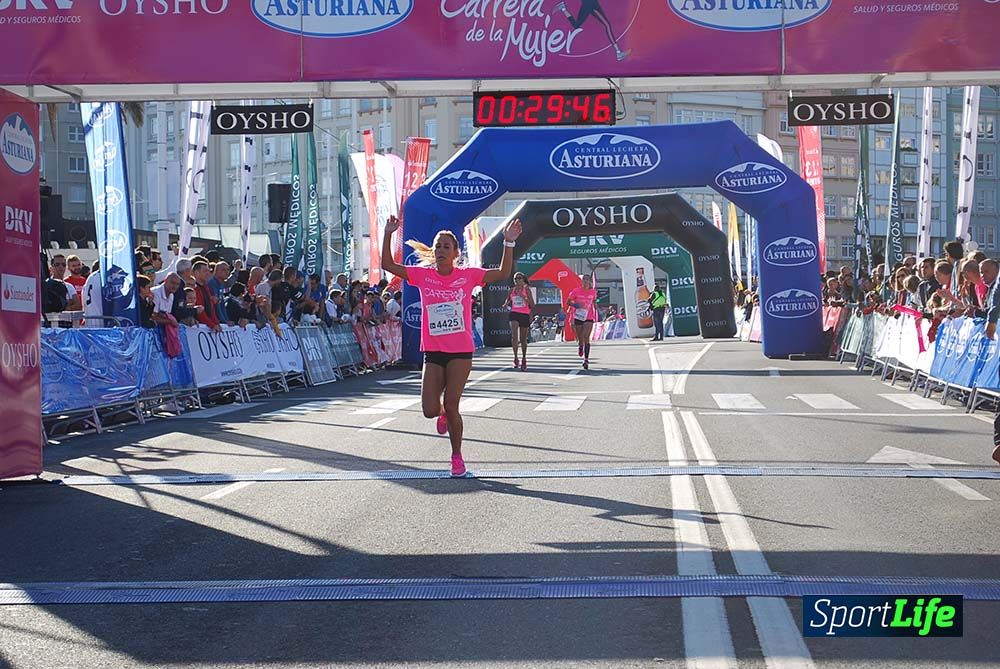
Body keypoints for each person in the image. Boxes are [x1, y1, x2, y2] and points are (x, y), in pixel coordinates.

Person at [380, 214, 521, 477]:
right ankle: (441, 412)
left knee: (454, 405)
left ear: (456, 252)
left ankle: (457, 457)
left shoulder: (468, 276)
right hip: (433, 352)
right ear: (433, 252)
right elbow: (388, 264)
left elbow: (502, 273)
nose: (441, 250)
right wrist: (389, 233)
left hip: (460, 351)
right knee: (429, 410)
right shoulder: (422, 275)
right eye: (438, 246)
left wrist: (509, 243)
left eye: (447, 246)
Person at [553, 0, 629, 61]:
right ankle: (618, 52)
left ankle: (563, 8)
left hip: (589, 3)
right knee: (607, 25)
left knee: (577, 25)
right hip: (590, 3)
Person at [503, 272, 534, 371]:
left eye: (519, 278)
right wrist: (505, 304)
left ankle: (524, 358)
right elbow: (507, 301)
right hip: (514, 313)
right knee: (514, 336)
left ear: (523, 280)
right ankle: (515, 357)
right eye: (515, 278)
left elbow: (532, 305)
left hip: (524, 314)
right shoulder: (511, 290)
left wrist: (523, 296)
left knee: (523, 339)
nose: (517, 280)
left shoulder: (527, 290)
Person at [567, 275, 598, 369]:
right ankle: (580, 345)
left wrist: (596, 306)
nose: (585, 281)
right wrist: (576, 305)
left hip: (589, 316)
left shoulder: (593, 292)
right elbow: (568, 302)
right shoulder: (576, 291)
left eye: (587, 280)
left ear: (589, 282)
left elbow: (594, 301)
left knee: (586, 337)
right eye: (583, 280)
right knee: (580, 337)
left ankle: (586, 359)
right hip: (578, 316)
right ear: (581, 281)